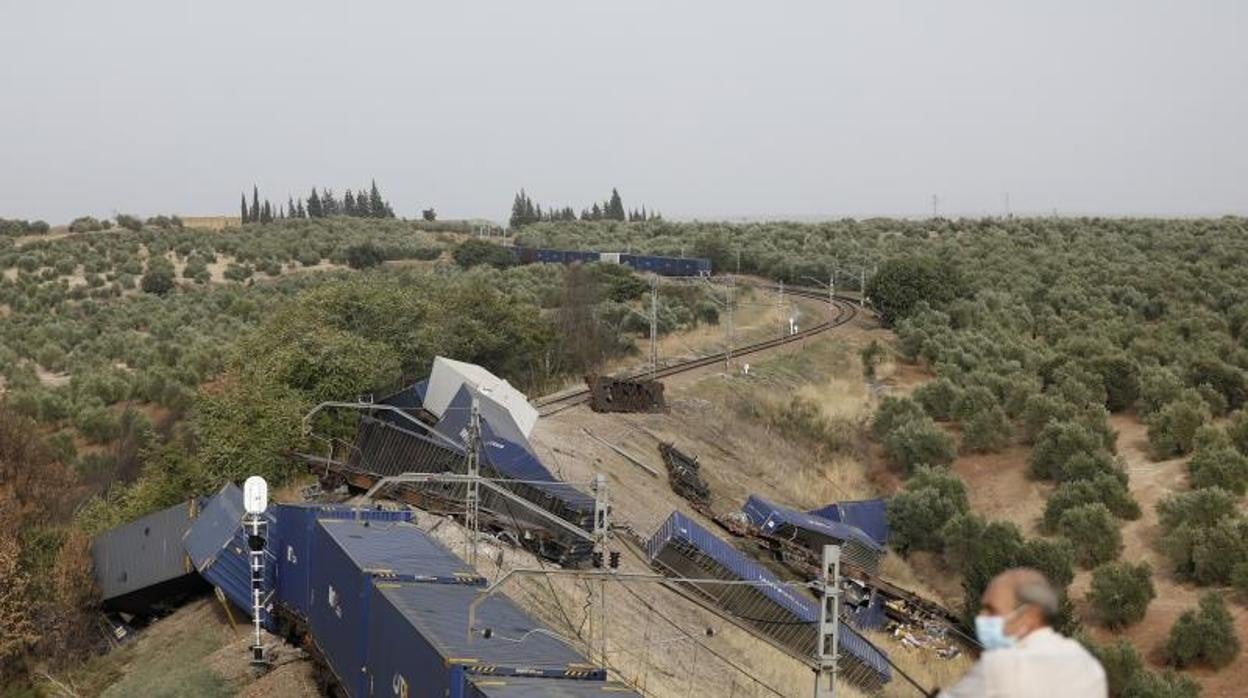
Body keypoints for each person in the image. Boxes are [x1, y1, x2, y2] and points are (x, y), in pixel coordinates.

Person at [939, 568, 1106, 698]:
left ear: (1029, 615)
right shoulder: (1087, 664)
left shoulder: (1002, 666)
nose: (982, 617)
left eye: (992, 610)